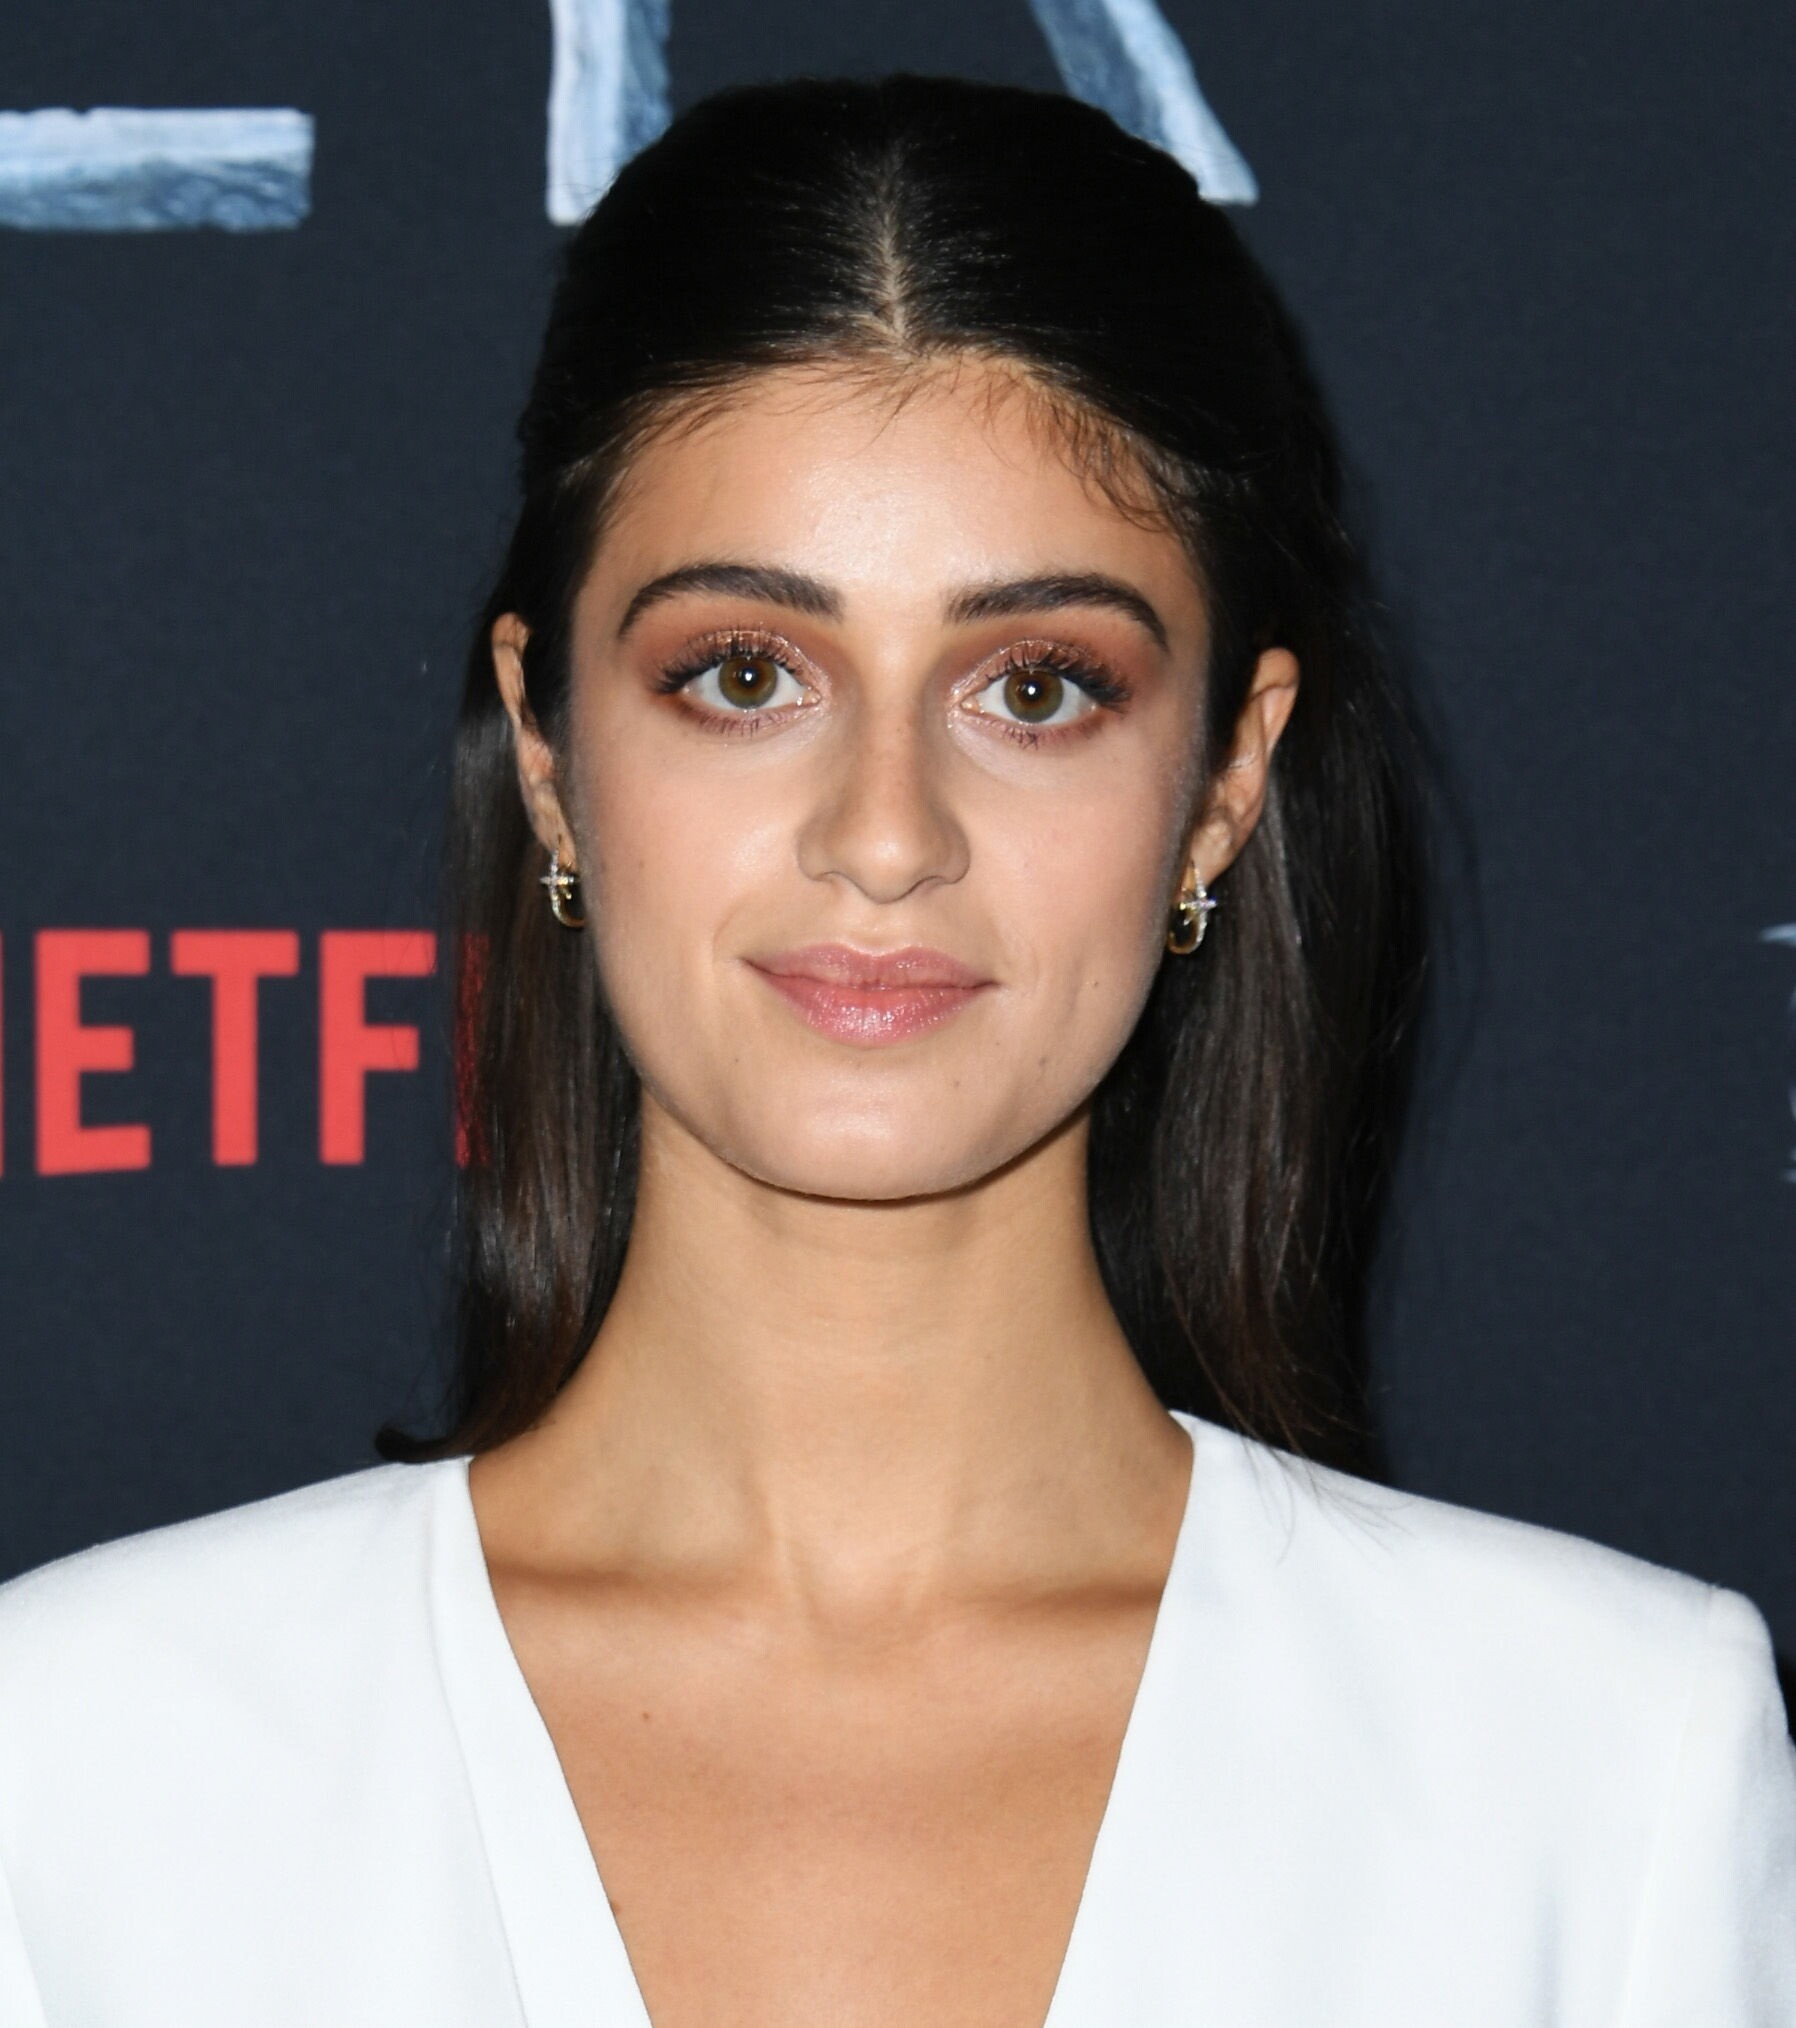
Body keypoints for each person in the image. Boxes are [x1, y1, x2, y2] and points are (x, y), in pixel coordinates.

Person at [1, 72, 1791, 2027]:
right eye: (744, 673)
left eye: (1035, 689)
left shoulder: (1604, 1767)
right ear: (549, 752)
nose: (882, 835)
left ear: (1224, 783)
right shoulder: (79, 1762)